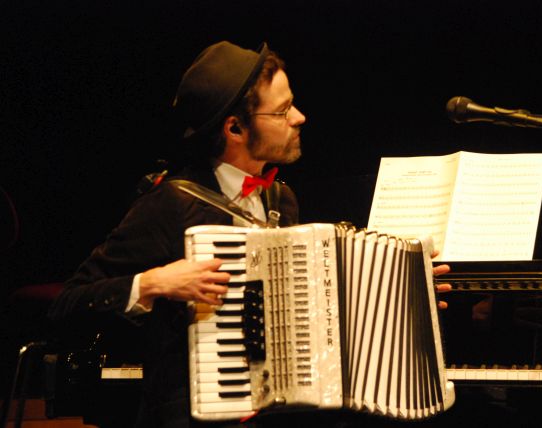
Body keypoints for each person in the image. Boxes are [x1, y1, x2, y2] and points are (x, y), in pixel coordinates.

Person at [48, 40, 450, 428]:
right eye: (283, 110)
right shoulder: (171, 204)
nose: (299, 117)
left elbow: (313, 306)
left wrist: (403, 290)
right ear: (235, 128)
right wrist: (154, 283)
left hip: (278, 414)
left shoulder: (281, 200)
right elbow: (67, 304)